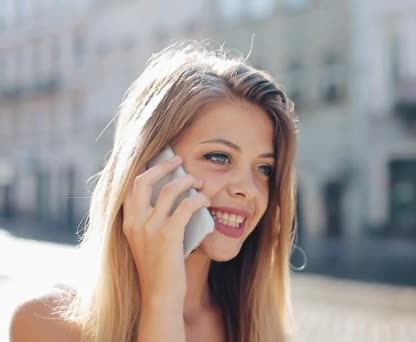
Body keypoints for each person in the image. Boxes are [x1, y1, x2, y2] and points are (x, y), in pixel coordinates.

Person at [9, 41, 299, 342]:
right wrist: (162, 300)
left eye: (264, 168)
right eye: (219, 157)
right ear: (150, 167)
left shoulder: (264, 330)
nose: (248, 190)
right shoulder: (46, 324)